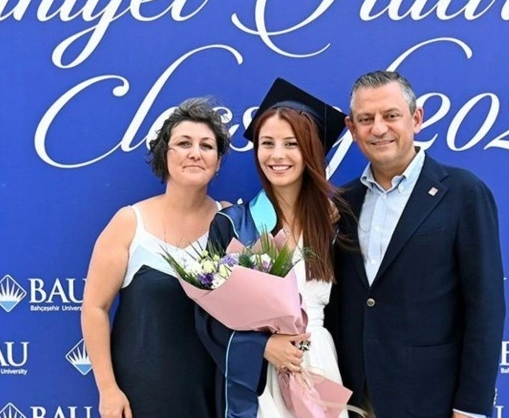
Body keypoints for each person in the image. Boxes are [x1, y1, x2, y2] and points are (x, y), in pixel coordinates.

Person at [329, 71, 506, 418]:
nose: (378, 128)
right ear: (351, 128)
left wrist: (470, 408)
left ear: (417, 118)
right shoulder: (344, 202)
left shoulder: (463, 193)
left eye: (391, 115)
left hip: (432, 400)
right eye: (366, 119)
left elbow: (485, 308)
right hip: (355, 400)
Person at [200, 78, 350, 417]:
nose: (277, 155)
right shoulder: (234, 225)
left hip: (319, 369)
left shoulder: (335, 225)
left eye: (291, 144)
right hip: (259, 379)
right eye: (267, 143)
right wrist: (263, 345)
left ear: (311, 151)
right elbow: (207, 316)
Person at [81, 97, 231, 418]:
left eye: (207, 146)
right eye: (184, 143)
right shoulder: (129, 223)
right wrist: (108, 389)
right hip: (141, 397)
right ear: (165, 154)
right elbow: (94, 308)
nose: (195, 153)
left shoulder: (232, 222)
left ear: (218, 161)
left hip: (216, 396)